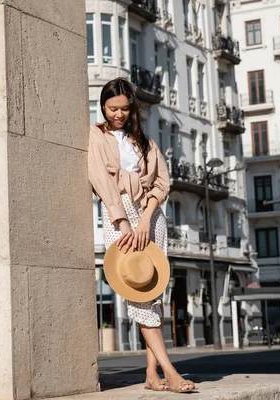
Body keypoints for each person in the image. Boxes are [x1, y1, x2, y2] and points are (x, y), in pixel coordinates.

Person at [88, 77, 196, 393]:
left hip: (151, 217)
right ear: (103, 107)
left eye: (123, 108)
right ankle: (170, 371)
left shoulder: (146, 142)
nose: (118, 114)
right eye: (112, 108)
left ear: (131, 108)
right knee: (137, 293)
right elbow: (101, 181)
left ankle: (151, 375)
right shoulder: (96, 136)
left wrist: (147, 217)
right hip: (118, 215)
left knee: (154, 290)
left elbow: (162, 182)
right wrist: (123, 223)